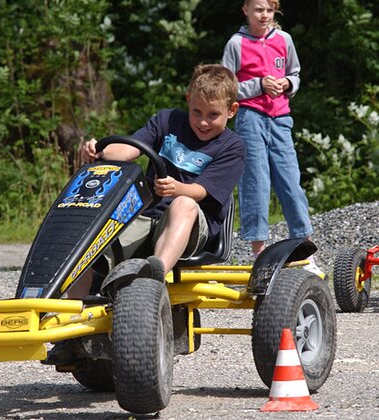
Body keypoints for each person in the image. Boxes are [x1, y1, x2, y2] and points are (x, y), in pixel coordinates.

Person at [43, 63, 246, 365]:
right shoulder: (167, 121)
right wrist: (99, 151)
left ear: (231, 111)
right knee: (92, 238)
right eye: (197, 112)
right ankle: (69, 329)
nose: (203, 122)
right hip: (149, 218)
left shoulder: (232, 146)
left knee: (183, 203)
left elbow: (203, 192)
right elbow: (129, 150)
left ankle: (154, 279)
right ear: (188, 99)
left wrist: (179, 187)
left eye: (212, 115)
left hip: (194, 227)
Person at [221, 0, 322, 275]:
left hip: (281, 119)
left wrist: (288, 84)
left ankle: (306, 251)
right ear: (245, 10)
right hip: (250, 119)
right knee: (256, 184)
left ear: (274, 10)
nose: (264, 15)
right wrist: (258, 85)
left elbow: (295, 74)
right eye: (258, 9)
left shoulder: (284, 40)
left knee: (291, 183)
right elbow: (226, 88)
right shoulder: (236, 44)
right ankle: (259, 255)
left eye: (268, 9)